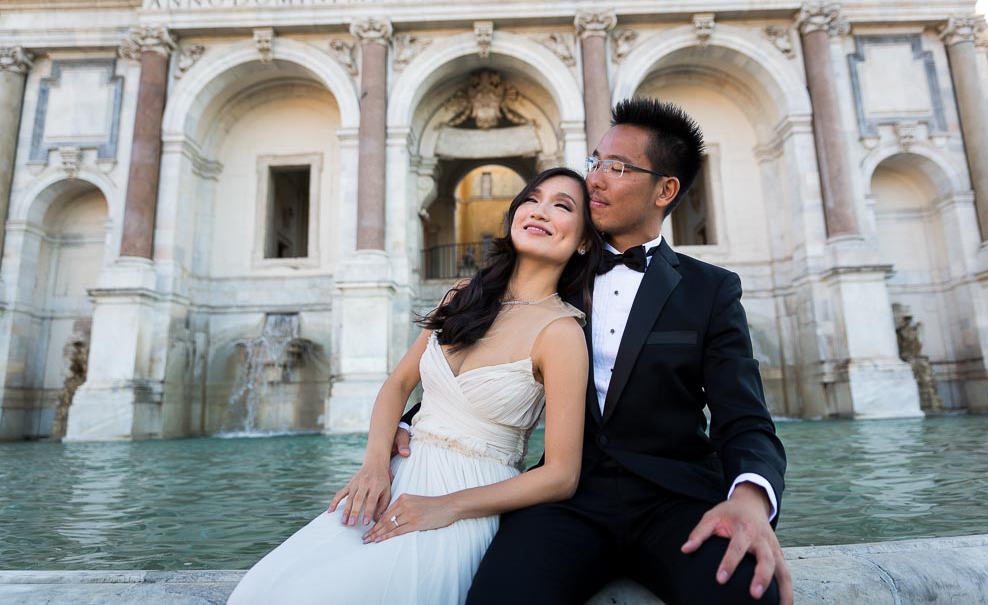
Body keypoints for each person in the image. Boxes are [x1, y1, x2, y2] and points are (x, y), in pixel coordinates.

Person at [395, 98, 791, 604]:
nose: (596, 179)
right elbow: (485, 354)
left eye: (618, 167)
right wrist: (411, 424)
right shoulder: (556, 269)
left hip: (678, 503)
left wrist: (752, 501)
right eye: (596, 162)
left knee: (747, 594)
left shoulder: (711, 290)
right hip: (567, 500)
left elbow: (746, 419)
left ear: (665, 190)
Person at [227, 167, 603, 605]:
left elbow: (561, 476)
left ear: (583, 241)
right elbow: (400, 382)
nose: (540, 211)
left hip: (468, 497)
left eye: (562, 205)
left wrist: (448, 506)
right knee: (263, 588)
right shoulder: (462, 294)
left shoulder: (561, 332)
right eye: (532, 199)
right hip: (396, 476)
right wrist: (372, 465)